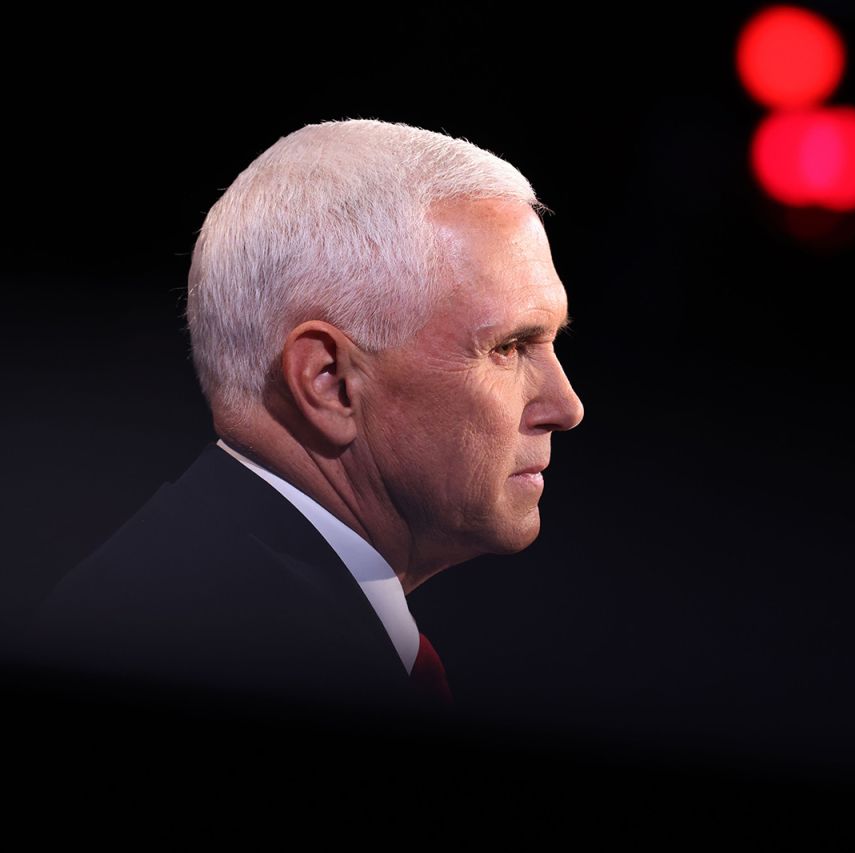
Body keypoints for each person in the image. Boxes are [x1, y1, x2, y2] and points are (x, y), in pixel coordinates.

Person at [24, 119, 585, 719]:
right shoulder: (242, 663)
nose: (567, 407)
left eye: (553, 343)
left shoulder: (188, 600)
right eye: (509, 348)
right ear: (330, 383)